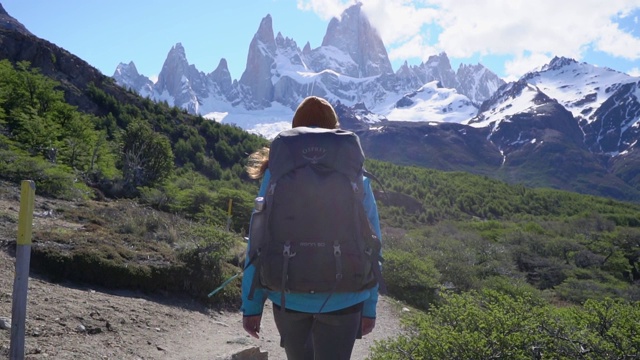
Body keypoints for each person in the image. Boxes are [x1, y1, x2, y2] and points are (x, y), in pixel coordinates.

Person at [240, 96, 382, 360]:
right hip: (346, 298)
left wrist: (252, 305)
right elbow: (374, 244)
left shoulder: (276, 172)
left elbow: (257, 241)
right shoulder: (354, 174)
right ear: (334, 129)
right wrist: (369, 306)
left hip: (287, 295)